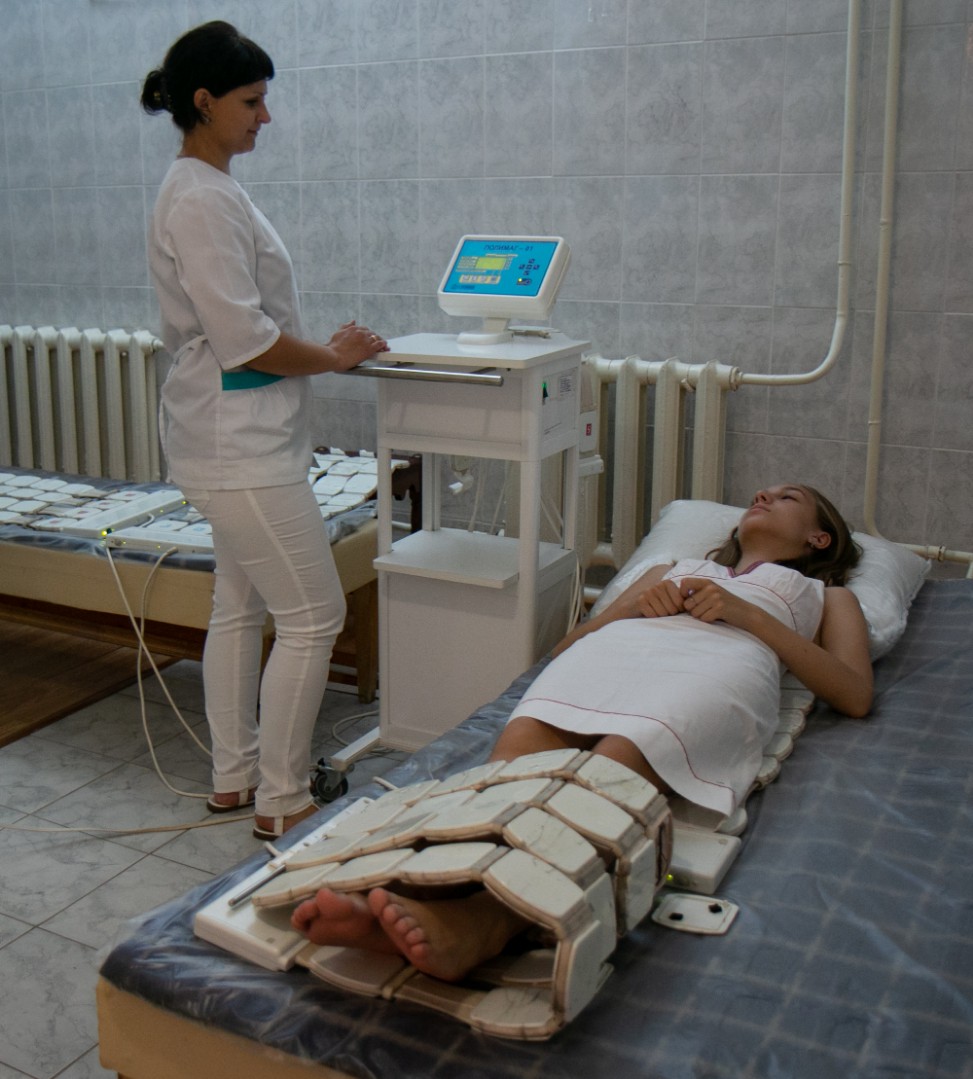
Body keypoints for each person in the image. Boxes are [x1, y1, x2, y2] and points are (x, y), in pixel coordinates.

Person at [291, 484, 874, 980]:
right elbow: (565, 648)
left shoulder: (828, 596)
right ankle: (428, 890)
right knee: (506, 782)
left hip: (710, 672)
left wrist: (748, 614)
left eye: (787, 497)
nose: (763, 495)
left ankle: (489, 922)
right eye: (764, 492)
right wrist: (634, 606)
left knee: (601, 779)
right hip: (609, 659)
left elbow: (853, 694)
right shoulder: (671, 570)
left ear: (819, 539)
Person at [140, 21, 389, 841]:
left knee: (239, 605)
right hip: (239, 447)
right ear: (203, 101)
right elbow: (246, 339)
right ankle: (283, 799)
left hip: (234, 437)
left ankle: (235, 775)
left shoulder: (206, 188)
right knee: (314, 614)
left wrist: (322, 355)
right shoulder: (201, 199)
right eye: (251, 102)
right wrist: (335, 356)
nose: (265, 117)